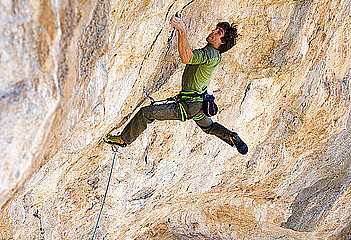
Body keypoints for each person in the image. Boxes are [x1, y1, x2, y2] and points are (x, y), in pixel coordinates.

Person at [104, 15, 248, 154]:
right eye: (215, 29)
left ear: (222, 42)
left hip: (189, 106)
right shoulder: (216, 56)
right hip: (199, 105)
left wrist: (181, 30)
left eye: (218, 32)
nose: (213, 32)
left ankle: (123, 139)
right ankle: (230, 136)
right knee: (209, 127)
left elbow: (186, 57)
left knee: (146, 113)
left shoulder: (210, 53)